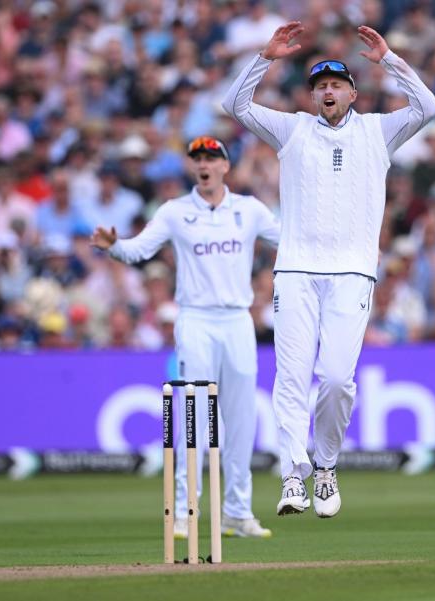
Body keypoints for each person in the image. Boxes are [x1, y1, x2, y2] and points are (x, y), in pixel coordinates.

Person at [222, 22, 435, 517]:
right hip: (296, 270)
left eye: (337, 84)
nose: (327, 90)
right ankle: (294, 475)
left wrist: (390, 59)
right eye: (320, 84)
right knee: (292, 378)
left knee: (339, 379)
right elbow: (233, 107)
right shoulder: (291, 127)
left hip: (352, 274)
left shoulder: (378, 130)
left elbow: (429, 107)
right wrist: (265, 56)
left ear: (353, 92)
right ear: (312, 93)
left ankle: (325, 466)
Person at [90, 135, 280, 539]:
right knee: (194, 416)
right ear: (193, 168)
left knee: (242, 420)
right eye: (198, 159)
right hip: (195, 319)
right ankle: (183, 511)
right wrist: (114, 246)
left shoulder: (249, 210)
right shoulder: (175, 212)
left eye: (212, 158)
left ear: (226, 166)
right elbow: (138, 250)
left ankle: (237, 512)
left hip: (238, 320)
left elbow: (294, 242)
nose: (205, 165)